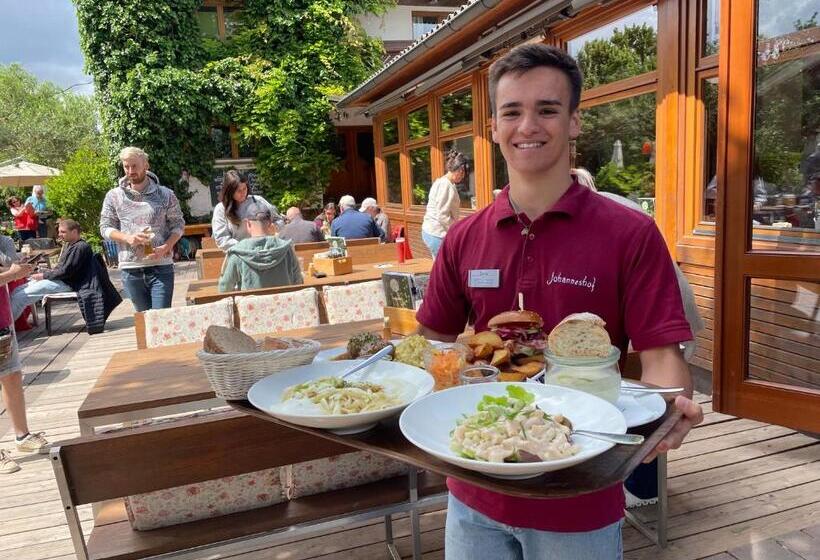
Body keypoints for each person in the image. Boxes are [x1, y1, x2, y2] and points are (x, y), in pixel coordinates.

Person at [416, 44, 703, 560]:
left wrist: (668, 411)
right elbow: (432, 344)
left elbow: (663, 360)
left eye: (547, 109)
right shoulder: (463, 237)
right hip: (473, 493)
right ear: (494, 127)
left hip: (581, 501)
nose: (528, 126)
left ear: (573, 122)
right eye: (512, 112)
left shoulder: (630, 233)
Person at [99, 147, 185, 312]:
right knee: (143, 320)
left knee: (160, 317)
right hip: (130, 268)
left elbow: (178, 225)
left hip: (161, 266)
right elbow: (105, 227)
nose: (130, 171)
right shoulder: (114, 196)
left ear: (146, 165)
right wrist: (127, 238)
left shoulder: (166, 194)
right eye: (126, 167)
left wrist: (167, 246)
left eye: (134, 166)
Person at [11, 219, 121, 333]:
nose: (59, 234)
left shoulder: (80, 247)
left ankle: (6, 328)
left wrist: (43, 275)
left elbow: (66, 272)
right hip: (62, 280)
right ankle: (8, 325)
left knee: (20, 297)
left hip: (69, 283)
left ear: (74, 232)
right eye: (59, 231)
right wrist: (45, 273)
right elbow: (62, 269)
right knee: (16, 291)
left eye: (63, 232)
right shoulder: (71, 245)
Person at [0, 259, 49, 474]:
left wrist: (14, 270)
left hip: (2, 321)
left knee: (11, 375)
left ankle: (23, 436)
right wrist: (12, 274)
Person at [218, 205, 303, 292]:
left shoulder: (237, 253)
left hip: (251, 301)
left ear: (248, 223)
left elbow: (224, 289)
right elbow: (298, 282)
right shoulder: (287, 248)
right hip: (283, 300)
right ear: (269, 223)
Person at [211, 170, 283, 250]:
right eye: (238, 190)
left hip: (265, 250)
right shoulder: (221, 209)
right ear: (229, 191)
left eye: (244, 188)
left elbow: (279, 220)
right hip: (240, 253)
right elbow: (222, 240)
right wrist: (248, 247)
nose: (243, 193)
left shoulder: (257, 200)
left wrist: (275, 227)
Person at [422, 150, 465, 258]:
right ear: (459, 170)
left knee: (440, 264)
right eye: (463, 173)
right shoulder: (446, 185)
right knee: (445, 265)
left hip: (432, 231)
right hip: (436, 233)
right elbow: (442, 215)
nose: (463, 176)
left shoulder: (442, 181)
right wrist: (456, 229)